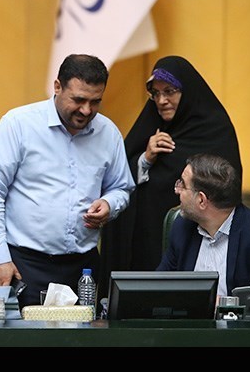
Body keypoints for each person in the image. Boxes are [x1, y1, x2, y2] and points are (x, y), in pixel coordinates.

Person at [0, 54, 135, 309]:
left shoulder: (108, 133)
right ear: (58, 86)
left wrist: (109, 203)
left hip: (83, 269)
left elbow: (121, 187)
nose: (86, 110)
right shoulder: (18, 125)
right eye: (78, 100)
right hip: (23, 265)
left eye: (95, 102)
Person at [99, 56, 242, 296]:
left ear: (187, 92)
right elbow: (119, 178)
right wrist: (146, 158)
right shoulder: (150, 126)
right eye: (155, 93)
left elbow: (226, 189)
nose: (161, 101)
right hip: (146, 244)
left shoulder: (216, 129)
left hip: (197, 244)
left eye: (169, 92)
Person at [158, 153, 250, 314]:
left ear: (201, 200)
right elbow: (158, 288)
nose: (177, 190)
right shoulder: (182, 227)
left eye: (183, 185)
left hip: (238, 328)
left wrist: (227, 305)